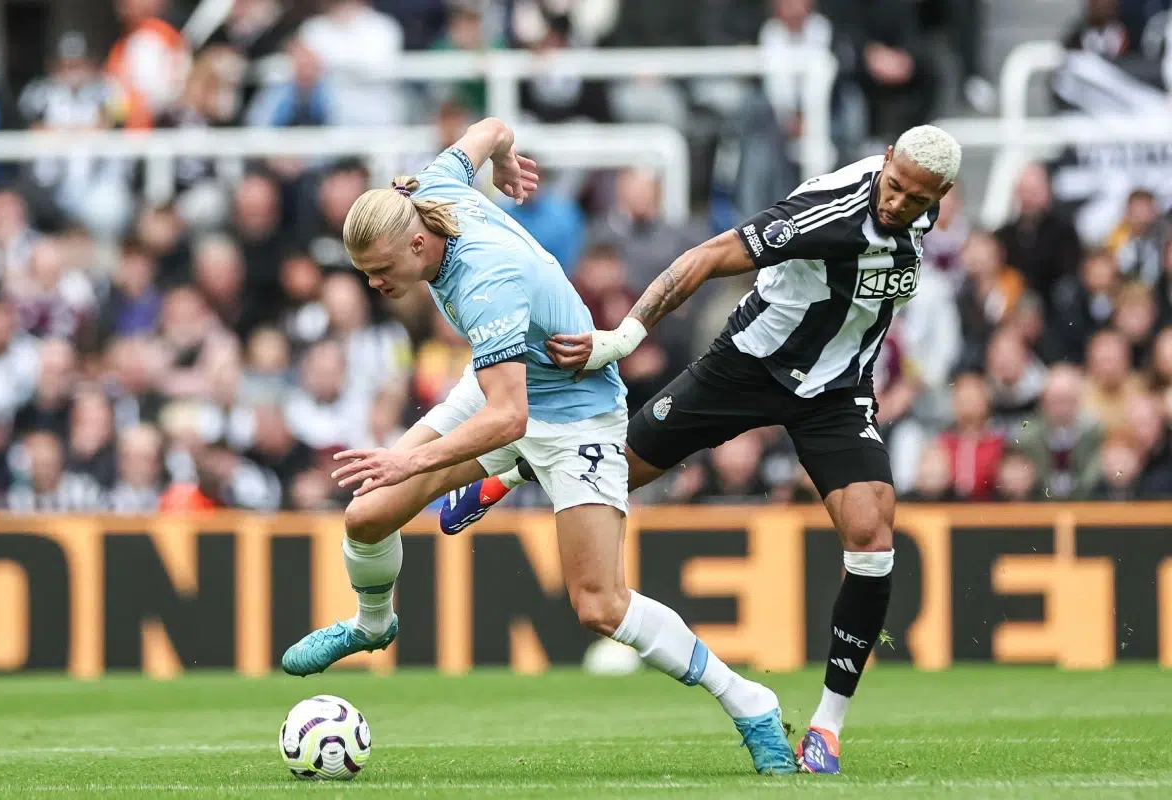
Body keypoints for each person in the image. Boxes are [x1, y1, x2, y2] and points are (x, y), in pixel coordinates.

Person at [278, 117, 798, 776]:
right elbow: (492, 127)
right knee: (367, 513)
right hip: (504, 384)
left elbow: (509, 418)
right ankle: (373, 623)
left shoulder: (484, 280)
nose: (374, 285)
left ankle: (750, 701)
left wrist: (409, 458)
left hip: (575, 415)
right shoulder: (430, 189)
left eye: (381, 271)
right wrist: (504, 159)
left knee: (600, 605)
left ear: (417, 242)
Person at [442, 125, 963, 774]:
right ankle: (511, 473)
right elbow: (709, 256)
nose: (897, 203)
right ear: (885, 161)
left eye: (916, 199)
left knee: (873, 537)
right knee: (614, 470)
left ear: (940, 196)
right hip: (748, 364)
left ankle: (827, 728)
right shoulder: (830, 212)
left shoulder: (921, 206)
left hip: (836, 391)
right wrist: (624, 337)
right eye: (894, 186)